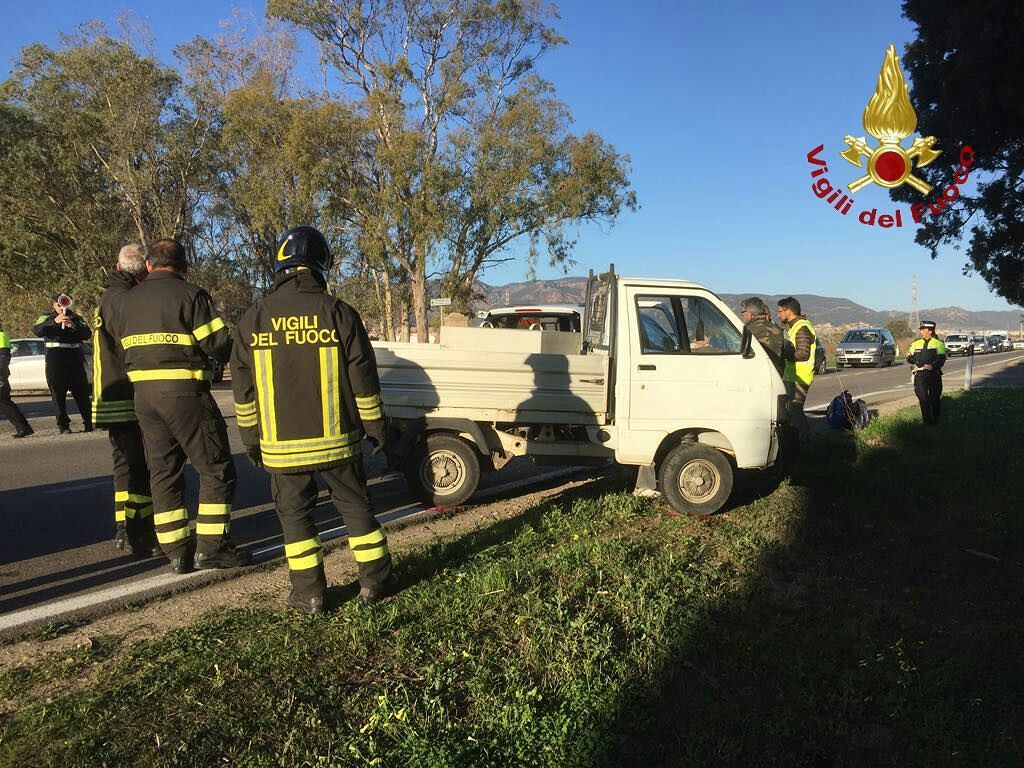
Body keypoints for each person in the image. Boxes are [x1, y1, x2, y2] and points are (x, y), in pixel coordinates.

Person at [231, 226, 393, 614]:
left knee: (296, 521)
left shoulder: (253, 319)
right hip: (339, 444)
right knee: (356, 509)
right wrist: (376, 428)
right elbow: (364, 381)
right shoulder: (338, 312)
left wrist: (252, 440)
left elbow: (243, 391)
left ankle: (310, 595)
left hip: (282, 450)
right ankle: (376, 583)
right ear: (321, 266)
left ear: (280, 266)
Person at [113, 238, 250, 574]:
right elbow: (218, 344)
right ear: (184, 266)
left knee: (163, 470)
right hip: (184, 393)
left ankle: (176, 551)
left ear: (149, 265)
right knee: (215, 468)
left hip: (143, 396)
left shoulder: (126, 302)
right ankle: (212, 548)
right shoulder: (191, 296)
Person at [93, 244, 158, 556]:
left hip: (110, 392)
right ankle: (138, 531)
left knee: (124, 466)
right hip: (127, 392)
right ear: (144, 270)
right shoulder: (125, 301)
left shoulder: (108, 296)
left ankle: (123, 528)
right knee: (139, 467)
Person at [32, 294, 92, 433]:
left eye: (64, 304)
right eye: (58, 304)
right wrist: (54, 321)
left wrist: (74, 326)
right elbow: (36, 330)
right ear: (53, 304)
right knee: (58, 395)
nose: (61, 307)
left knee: (82, 393)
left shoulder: (77, 318)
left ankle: (89, 423)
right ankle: (64, 426)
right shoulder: (46, 317)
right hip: (56, 359)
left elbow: (87, 334)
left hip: (75, 358)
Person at [776, 297, 817, 444]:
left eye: (780, 311)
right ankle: (798, 442)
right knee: (791, 411)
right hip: (793, 376)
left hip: (800, 377)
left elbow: (803, 353)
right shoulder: (795, 327)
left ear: (789, 311)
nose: (778, 314)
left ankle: (804, 443)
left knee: (795, 411)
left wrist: (782, 353)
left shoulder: (801, 327)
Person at [906, 320, 947, 425]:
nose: (921, 332)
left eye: (923, 330)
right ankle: (927, 423)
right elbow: (911, 359)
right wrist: (909, 357)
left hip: (934, 375)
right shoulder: (915, 343)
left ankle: (936, 421)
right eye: (921, 329)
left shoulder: (939, 344)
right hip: (920, 375)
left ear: (930, 331)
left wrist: (933, 366)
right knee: (923, 399)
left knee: (934, 399)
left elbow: (941, 359)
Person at [1, 325, 34, 438]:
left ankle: (23, 428)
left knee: (5, 403)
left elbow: (4, 358)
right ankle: (24, 428)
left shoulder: (1, 336)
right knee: (5, 403)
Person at [740, 296, 784, 374]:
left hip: (759, 373)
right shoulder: (776, 328)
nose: (742, 316)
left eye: (743, 313)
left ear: (749, 314)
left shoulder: (750, 330)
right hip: (777, 374)